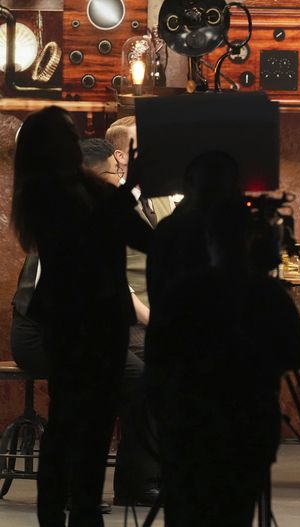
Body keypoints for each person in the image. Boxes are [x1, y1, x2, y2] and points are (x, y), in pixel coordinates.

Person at [144, 151, 300, 526]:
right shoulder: (267, 297)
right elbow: (294, 356)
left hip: (186, 421)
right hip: (248, 428)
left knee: (184, 512)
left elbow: (158, 348)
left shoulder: (178, 283)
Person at [10, 106, 150, 527]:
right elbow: (98, 231)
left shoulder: (71, 193)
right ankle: (66, 510)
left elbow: (140, 237)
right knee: (73, 423)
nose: (77, 140)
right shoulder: (50, 196)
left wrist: (130, 189)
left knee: (90, 422)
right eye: (68, 134)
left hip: (93, 319)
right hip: (75, 321)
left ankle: (79, 510)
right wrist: (130, 188)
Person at [105, 115, 177, 506]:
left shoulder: (164, 195)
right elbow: (115, 277)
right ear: (121, 155)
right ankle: (137, 482)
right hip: (131, 316)